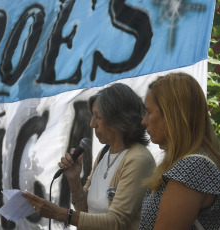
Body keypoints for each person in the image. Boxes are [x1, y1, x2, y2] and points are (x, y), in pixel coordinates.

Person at [22, 83, 156, 229]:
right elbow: (85, 210)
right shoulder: (105, 152)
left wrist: (58, 213)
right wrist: (74, 180)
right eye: (92, 116)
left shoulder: (138, 159)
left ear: (120, 121)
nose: (92, 124)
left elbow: (116, 222)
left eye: (98, 117)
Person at [139, 72, 220, 229]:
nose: (144, 121)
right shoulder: (184, 163)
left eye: (149, 112)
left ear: (172, 116)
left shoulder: (193, 166)